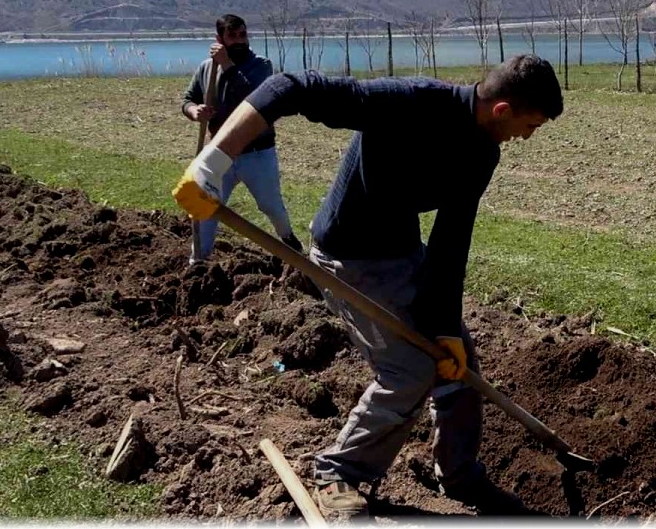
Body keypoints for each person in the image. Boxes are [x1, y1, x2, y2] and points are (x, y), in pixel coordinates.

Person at [172, 55, 563, 516]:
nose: (526, 136)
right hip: (346, 259)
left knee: (456, 364)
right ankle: (338, 473)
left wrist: (446, 329)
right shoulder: (407, 103)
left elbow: (450, 242)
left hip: (401, 255)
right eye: (529, 125)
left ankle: (459, 475)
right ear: (503, 110)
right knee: (409, 372)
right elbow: (289, 87)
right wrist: (211, 163)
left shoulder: (481, 153)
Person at [181, 13, 302, 263]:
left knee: (271, 206)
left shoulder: (261, 65)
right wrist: (195, 111)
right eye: (232, 36)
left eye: (243, 35)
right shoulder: (206, 68)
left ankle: (289, 241)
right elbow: (188, 99)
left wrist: (227, 66)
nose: (239, 41)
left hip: (257, 152)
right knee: (205, 207)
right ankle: (199, 262)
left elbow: (256, 99)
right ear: (219, 38)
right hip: (219, 152)